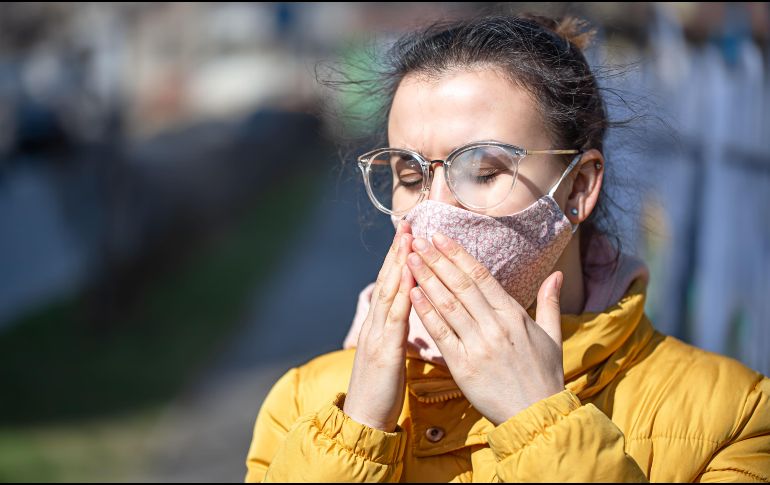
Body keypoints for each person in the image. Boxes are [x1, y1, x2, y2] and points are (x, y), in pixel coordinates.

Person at [244, 13, 770, 482]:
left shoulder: (735, 416)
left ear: (579, 187)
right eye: (410, 173)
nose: (436, 210)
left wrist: (542, 423)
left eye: (483, 170)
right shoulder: (304, 406)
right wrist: (357, 430)